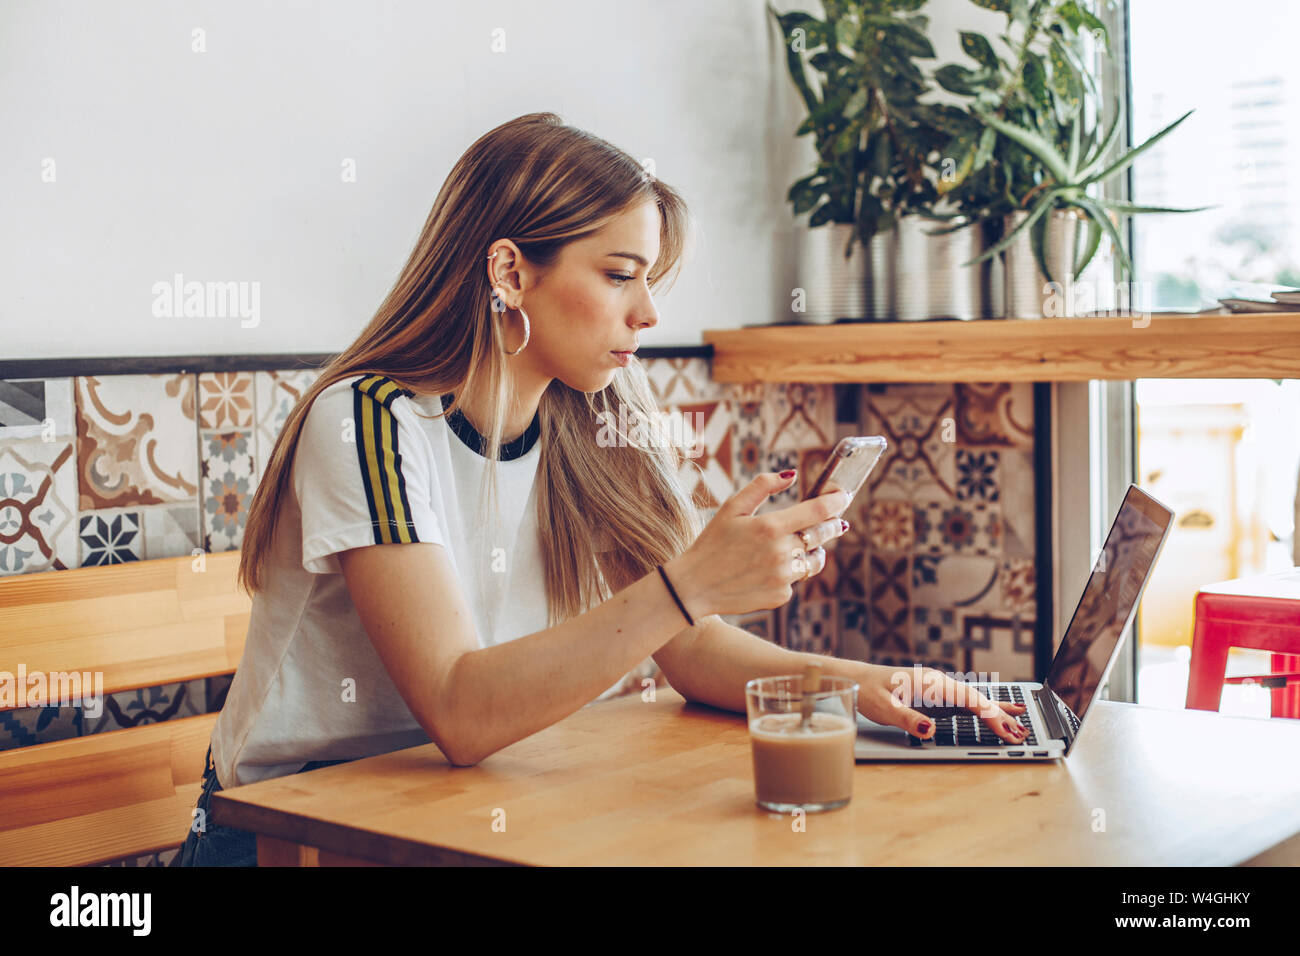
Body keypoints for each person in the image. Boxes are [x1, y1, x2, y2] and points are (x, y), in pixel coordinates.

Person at [173, 112, 1029, 866]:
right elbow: (460, 712)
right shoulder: (368, 422)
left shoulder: (596, 412)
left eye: (650, 278)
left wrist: (862, 683)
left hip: (459, 816)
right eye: (620, 274)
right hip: (294, 836)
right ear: (510, 273)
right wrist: (691, 583)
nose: (648, 313)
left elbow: (689, 649)